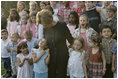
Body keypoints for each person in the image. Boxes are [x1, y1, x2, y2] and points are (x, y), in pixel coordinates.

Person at [36, 9, 73, 78]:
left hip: (62, 57)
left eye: (46, 25)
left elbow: (71, 40)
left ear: (50, 20)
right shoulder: (45, 28)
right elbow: (45, 42)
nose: (45, 26)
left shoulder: (62, 25)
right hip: (50, 58)